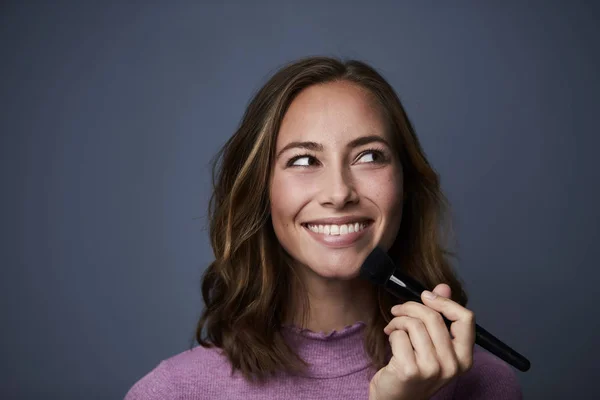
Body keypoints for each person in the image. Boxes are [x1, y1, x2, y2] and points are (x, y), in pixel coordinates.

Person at [124, 56, 523, 399]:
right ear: (260, 190)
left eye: (369, 156)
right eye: (303, 161)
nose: (339, 193)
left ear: (406, 184)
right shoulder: (171, 392)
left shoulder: (485, 385)